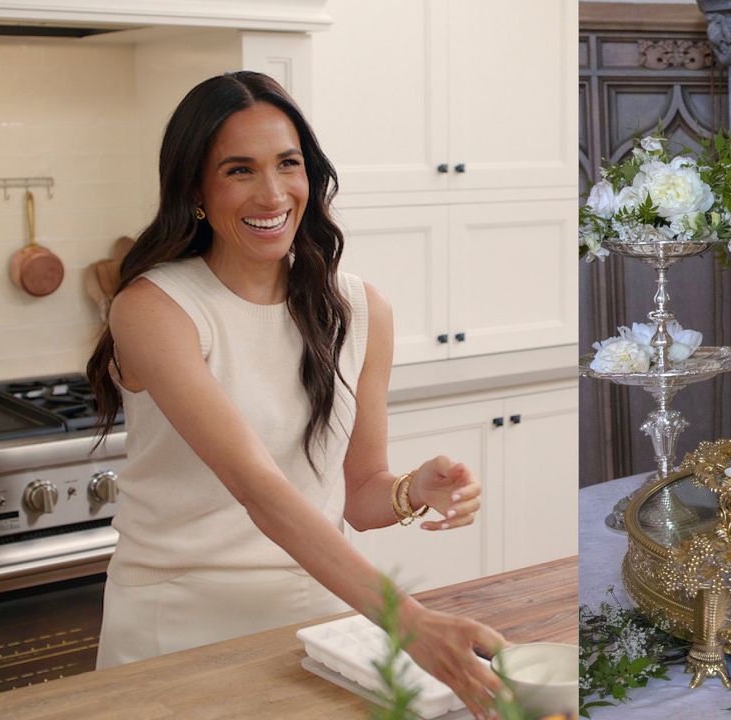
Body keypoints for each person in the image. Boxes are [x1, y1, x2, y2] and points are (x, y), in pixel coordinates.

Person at [85, 71, 504, 718]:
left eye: (289, 164)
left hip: (320, 631)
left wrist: (414, 489)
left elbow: (358, 496)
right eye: (239, 170)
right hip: (175, 633)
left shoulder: (360, 309)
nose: (273, 192)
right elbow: (260, 491)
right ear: (196, 188)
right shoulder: (154, 310)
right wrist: (411, 622)